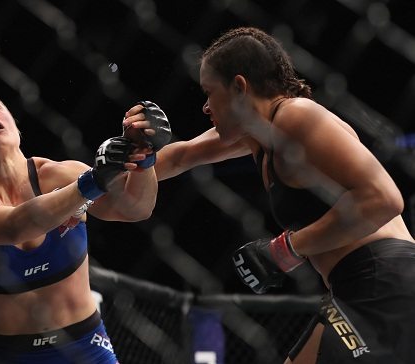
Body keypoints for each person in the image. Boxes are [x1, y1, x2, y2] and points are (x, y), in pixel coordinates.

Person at [122, 27, 415, 363]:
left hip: (385, 281)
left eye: (209, 92)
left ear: (239, 87)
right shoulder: (257, 137)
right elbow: (180, 157)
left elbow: (384, 199)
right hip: (359, 288)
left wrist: (285, 250)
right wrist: (126, 157)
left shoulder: (297, 117)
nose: (204, 107)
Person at [0, 94, 170, 364]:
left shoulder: (61, 174)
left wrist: (144, 154)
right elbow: (14, 226)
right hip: (17, 356)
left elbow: (135, 208)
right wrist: (91, 184)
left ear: (17, 129)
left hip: (88, 347)